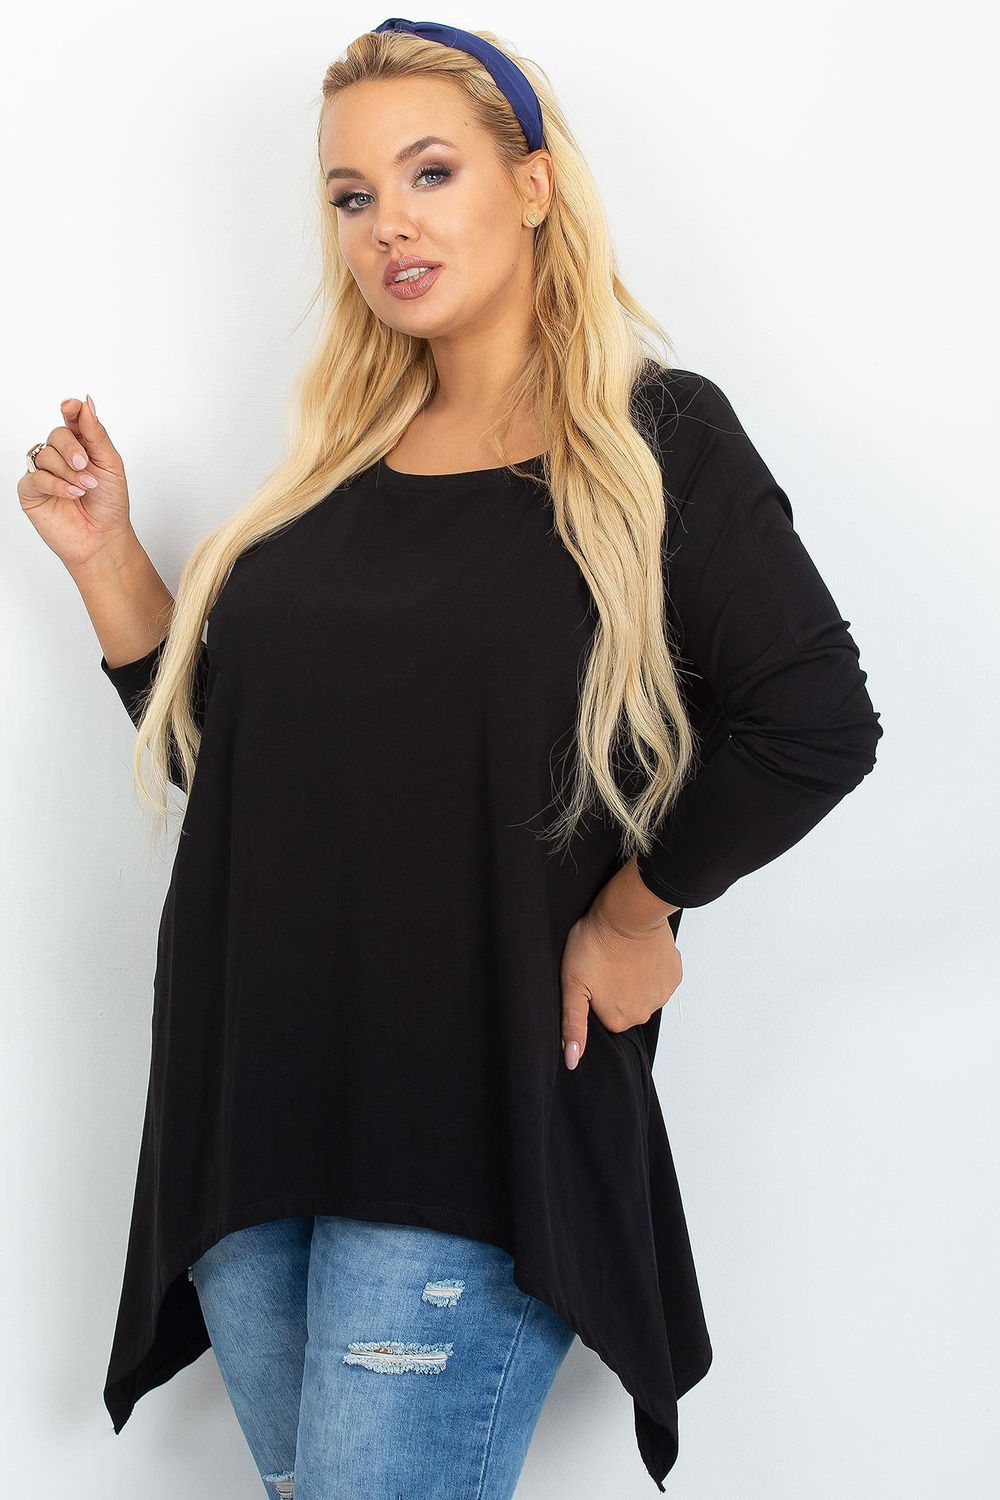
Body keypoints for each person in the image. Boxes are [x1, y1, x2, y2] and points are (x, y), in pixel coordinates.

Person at [18, 20, 884, 1498]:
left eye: (431, 174)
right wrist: (108, 564)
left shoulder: (653, 438)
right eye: (351, 195)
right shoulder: (337, 468)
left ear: (532, 184)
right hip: (250, 1112)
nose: (388, 226)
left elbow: (815, 720)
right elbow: (253, 772)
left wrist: (638, 912)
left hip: (462, 1116)